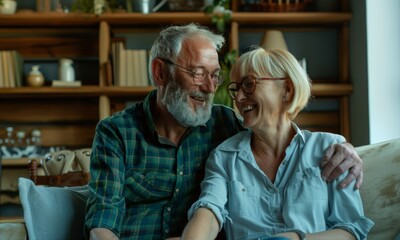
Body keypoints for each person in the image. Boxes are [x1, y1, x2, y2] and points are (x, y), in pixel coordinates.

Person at [84, 23, 364, 240]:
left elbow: (352, 227)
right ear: (160, 73)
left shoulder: (226, 125)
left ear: (286, 89)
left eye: (215, 75)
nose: (210, 88)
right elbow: (103, 222)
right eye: (197, 72)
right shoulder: (117, 132)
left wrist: (349, 150)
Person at [181, 47, 374, 240]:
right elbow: (209, 210)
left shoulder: (330, 149)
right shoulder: (225, 157)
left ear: (287, 90)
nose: (239, 98)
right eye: (236, 89)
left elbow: (352, 231)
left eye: (249, 84)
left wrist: (295, 239)